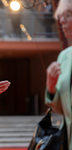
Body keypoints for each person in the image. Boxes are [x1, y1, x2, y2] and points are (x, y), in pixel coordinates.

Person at [45, 0, 72, 149]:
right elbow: (62, 109)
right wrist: (51, 87)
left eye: (68, 15)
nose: (61, 20)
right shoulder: (64, 56)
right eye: (61, 16)